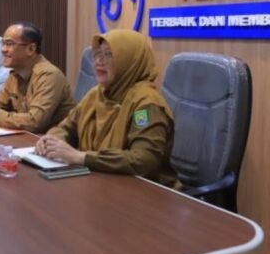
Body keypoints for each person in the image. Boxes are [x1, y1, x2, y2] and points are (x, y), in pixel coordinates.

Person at [35, 29, 180, 188]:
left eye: (109, 55)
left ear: (129, 61)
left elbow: (143, 160)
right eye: (97, 54)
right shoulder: (96, 94)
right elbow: (67, 126)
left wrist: (81, 157)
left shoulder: (145, 105)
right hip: (97, 179)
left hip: (142, 190)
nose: (99, 61)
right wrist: (51, 140)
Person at [0, 21, 76, 133]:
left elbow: (34, 122)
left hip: (52, 140)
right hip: (26, 138)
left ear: (30, 49)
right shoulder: (14, 75)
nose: (3, 49)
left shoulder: (49, 75)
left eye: (9, 44)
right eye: (3, 44)